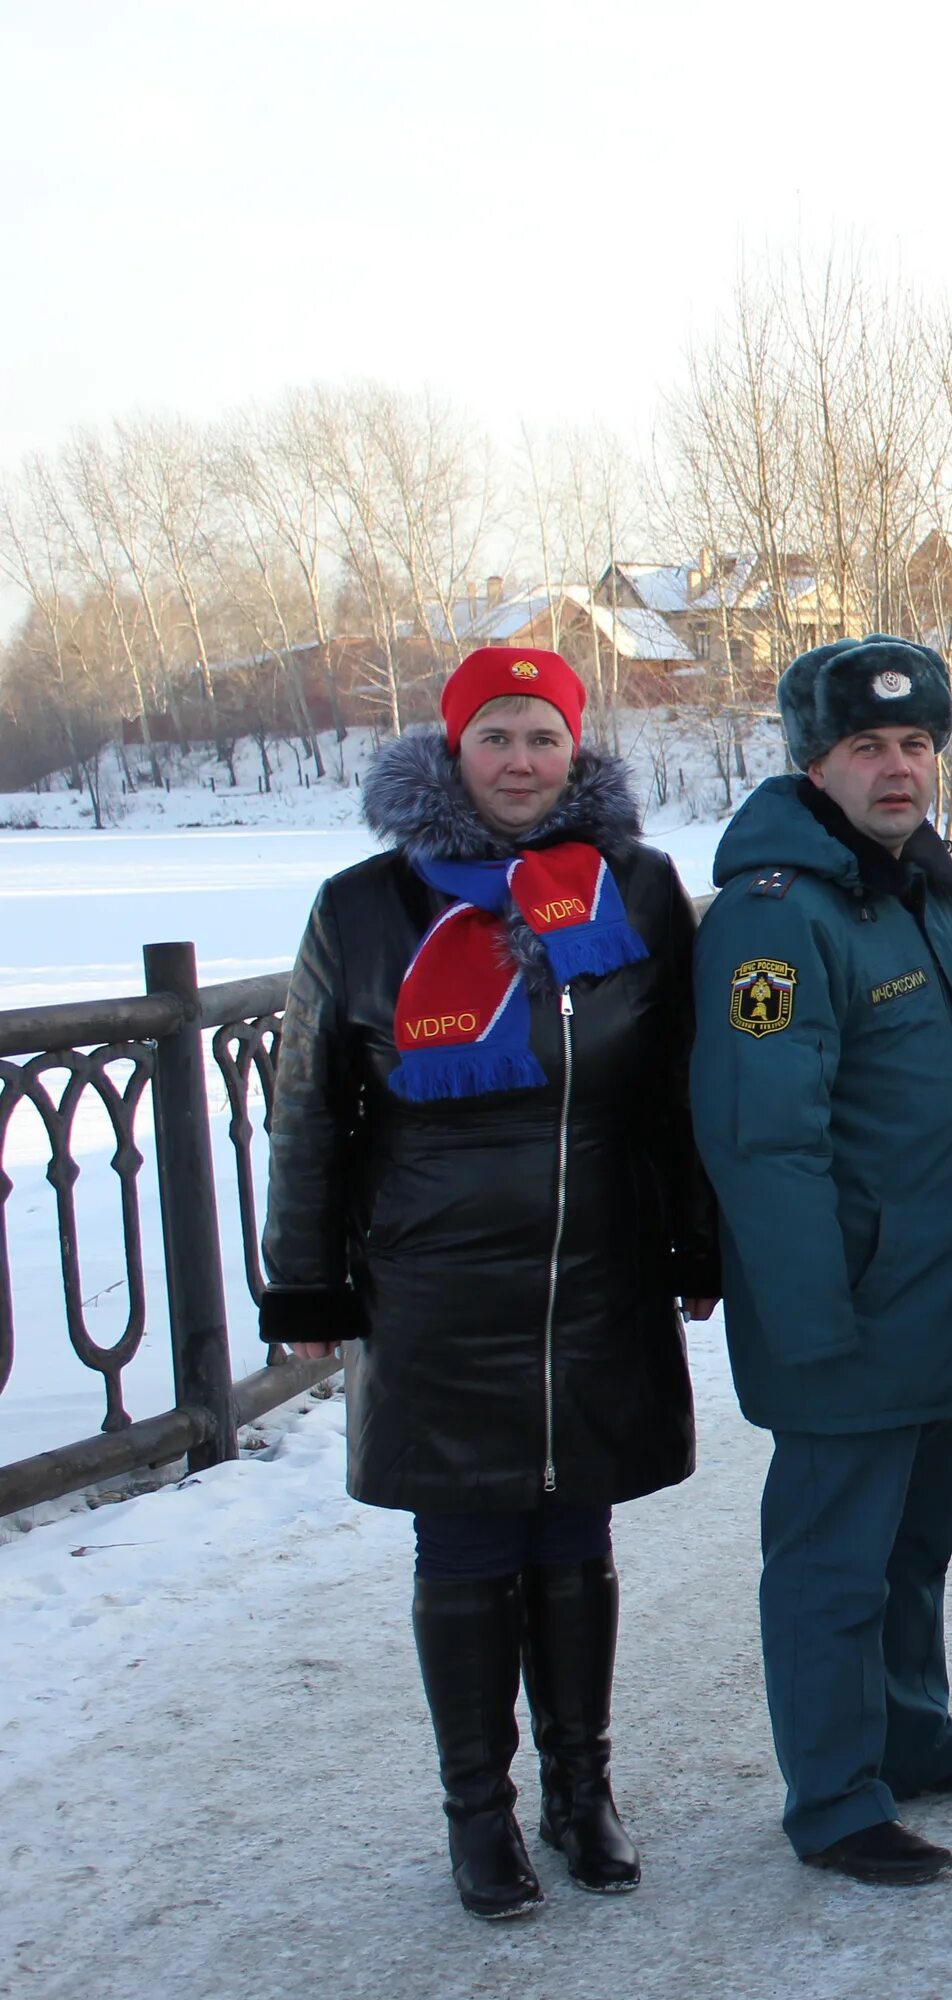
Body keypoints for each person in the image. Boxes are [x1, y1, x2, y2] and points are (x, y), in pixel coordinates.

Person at [261, 645, 716, 1921]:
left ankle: (584, 1791)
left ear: (578, 752)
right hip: (436, 1279)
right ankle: (480, 1813)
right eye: (497, 737)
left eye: (544, 738)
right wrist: (303, 1283)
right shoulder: (365, 906)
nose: (521, 761)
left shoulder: (629, 887)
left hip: (595, 1261)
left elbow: (677, 1081)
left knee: (576, 1526)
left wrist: (694, 1237)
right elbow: (310, 1108)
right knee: (463, 1539)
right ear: (451, 749)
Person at [689, 636, 952, 1887]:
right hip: (844, 1307)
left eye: (915, 744)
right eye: (866, 747)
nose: (897, 768)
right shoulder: (776, 922)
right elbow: (763, 1134)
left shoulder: (914, 889)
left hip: (931, 1296)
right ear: (813, 760)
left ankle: (910, 1732)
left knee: (910, 1546)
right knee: (832, 1562)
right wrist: (806, 1316)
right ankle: (836, 1797)